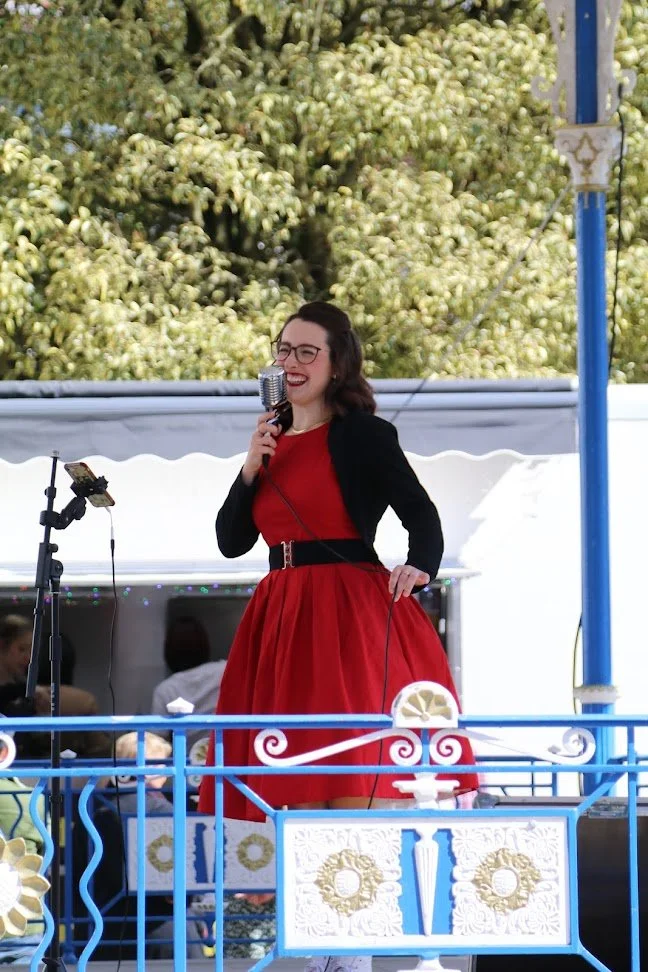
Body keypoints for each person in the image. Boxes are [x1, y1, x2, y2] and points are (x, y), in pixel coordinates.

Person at [198, 300, 478, 827]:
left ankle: (368, 893)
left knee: (357, 768)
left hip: (348, 610)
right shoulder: (269, 441)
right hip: (282, 614)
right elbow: (231, 541)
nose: (292, 363)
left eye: (307, 352)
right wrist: (251, 468)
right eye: (284, 351)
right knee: (292, 782)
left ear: (337, 364)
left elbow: (420, 510)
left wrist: (420, 565)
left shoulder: (362, 434)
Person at [151, 616, 226, 752]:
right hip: (223, 761)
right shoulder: (224, 672)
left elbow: (157, 740)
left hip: (184, 766)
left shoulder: (166, 689)